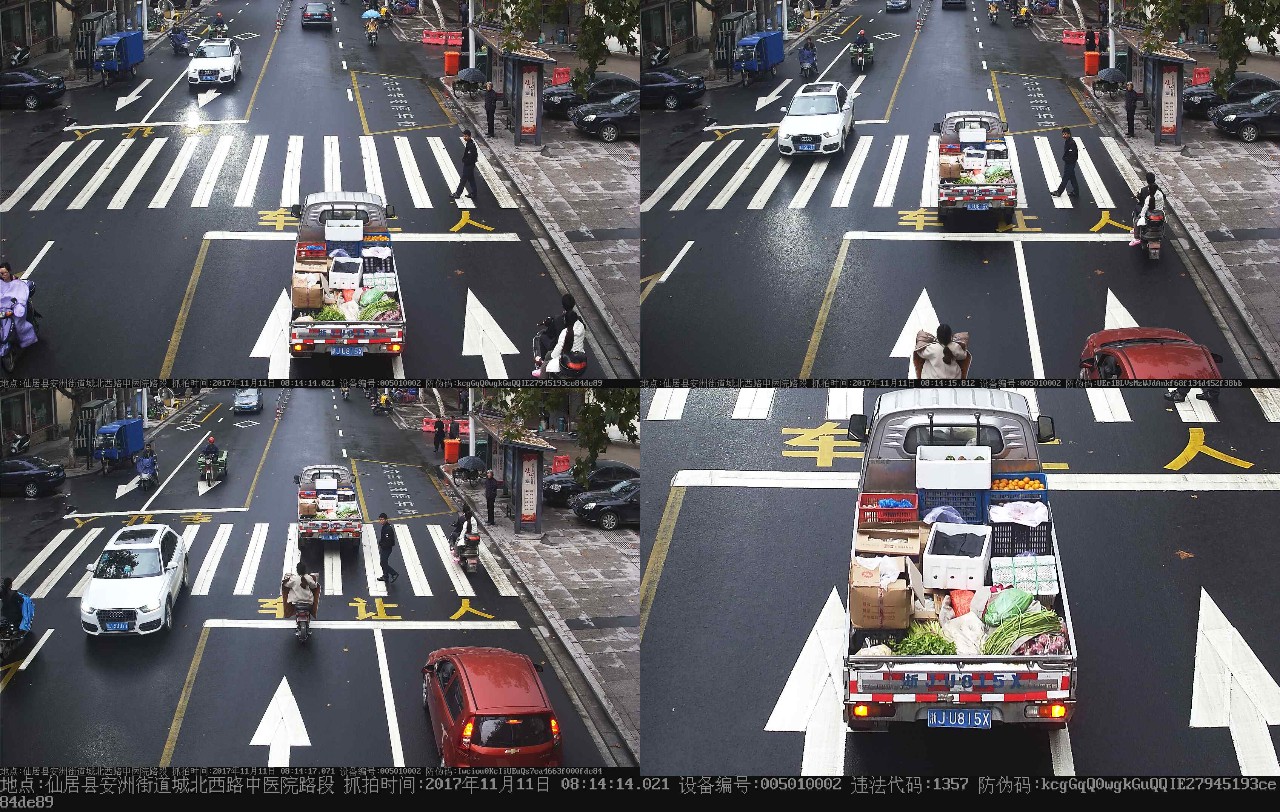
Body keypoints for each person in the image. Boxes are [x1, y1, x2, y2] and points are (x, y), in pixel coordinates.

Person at [545, 294, 587, 378]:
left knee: (546, 359)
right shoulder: (581, 325)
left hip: (563, 354)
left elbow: (552, 338)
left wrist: (551, 357)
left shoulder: (562, 328)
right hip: (579, 354)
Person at [0, 262, 37, 352]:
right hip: (3, 308)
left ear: (9, 272)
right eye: (1, 273)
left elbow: (20, 295)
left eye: (5, 273)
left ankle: (27, 338)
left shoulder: (17, 282)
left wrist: (18, 305)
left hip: (15, 307)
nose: (3, 275)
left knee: (19, 324)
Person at [1130, 171, 1164, 247]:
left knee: (1137, 220)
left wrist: (1142, 216)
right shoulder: (1160, 193)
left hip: (1148, 213)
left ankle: (1136, 237)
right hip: (1159, 213)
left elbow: (1144, 207)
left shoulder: (1146, 194)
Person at [1051, 127, 1079, 198]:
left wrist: (1066, 159)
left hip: (1070, 163)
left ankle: (1059, 192)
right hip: (1069, 163)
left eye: (1065, 134)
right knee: (1072, 178)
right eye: (1063, 134)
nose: (1064, 136)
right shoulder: (1068, 141)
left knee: (1065, 178)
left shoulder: (1071, 143)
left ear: (1069, 134)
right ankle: (1076, 191)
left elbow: (1073, 155)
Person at [450, 130, 479, 201]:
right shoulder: (469, 143)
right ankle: (474, 193)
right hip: (470, 165)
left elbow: (472, 156)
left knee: (463, 180)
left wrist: (465, 161)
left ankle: (457, 194)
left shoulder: (471, 145)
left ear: (469, 136)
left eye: (466, 136)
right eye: (464, 136)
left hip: (469, 165)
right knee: (471, 179)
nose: (464, 137)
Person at [376, 513, 399, 583]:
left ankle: (394, 573)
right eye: (380, 519)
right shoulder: (385, 526)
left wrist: (382, 545)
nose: (381, 521)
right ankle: (385, 576)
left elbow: (388, 541)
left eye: (382, 519)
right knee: (383, 562)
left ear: (386, 519)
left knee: (383, 563)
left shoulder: (388, 528)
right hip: (384, 547)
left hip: (387, 548)